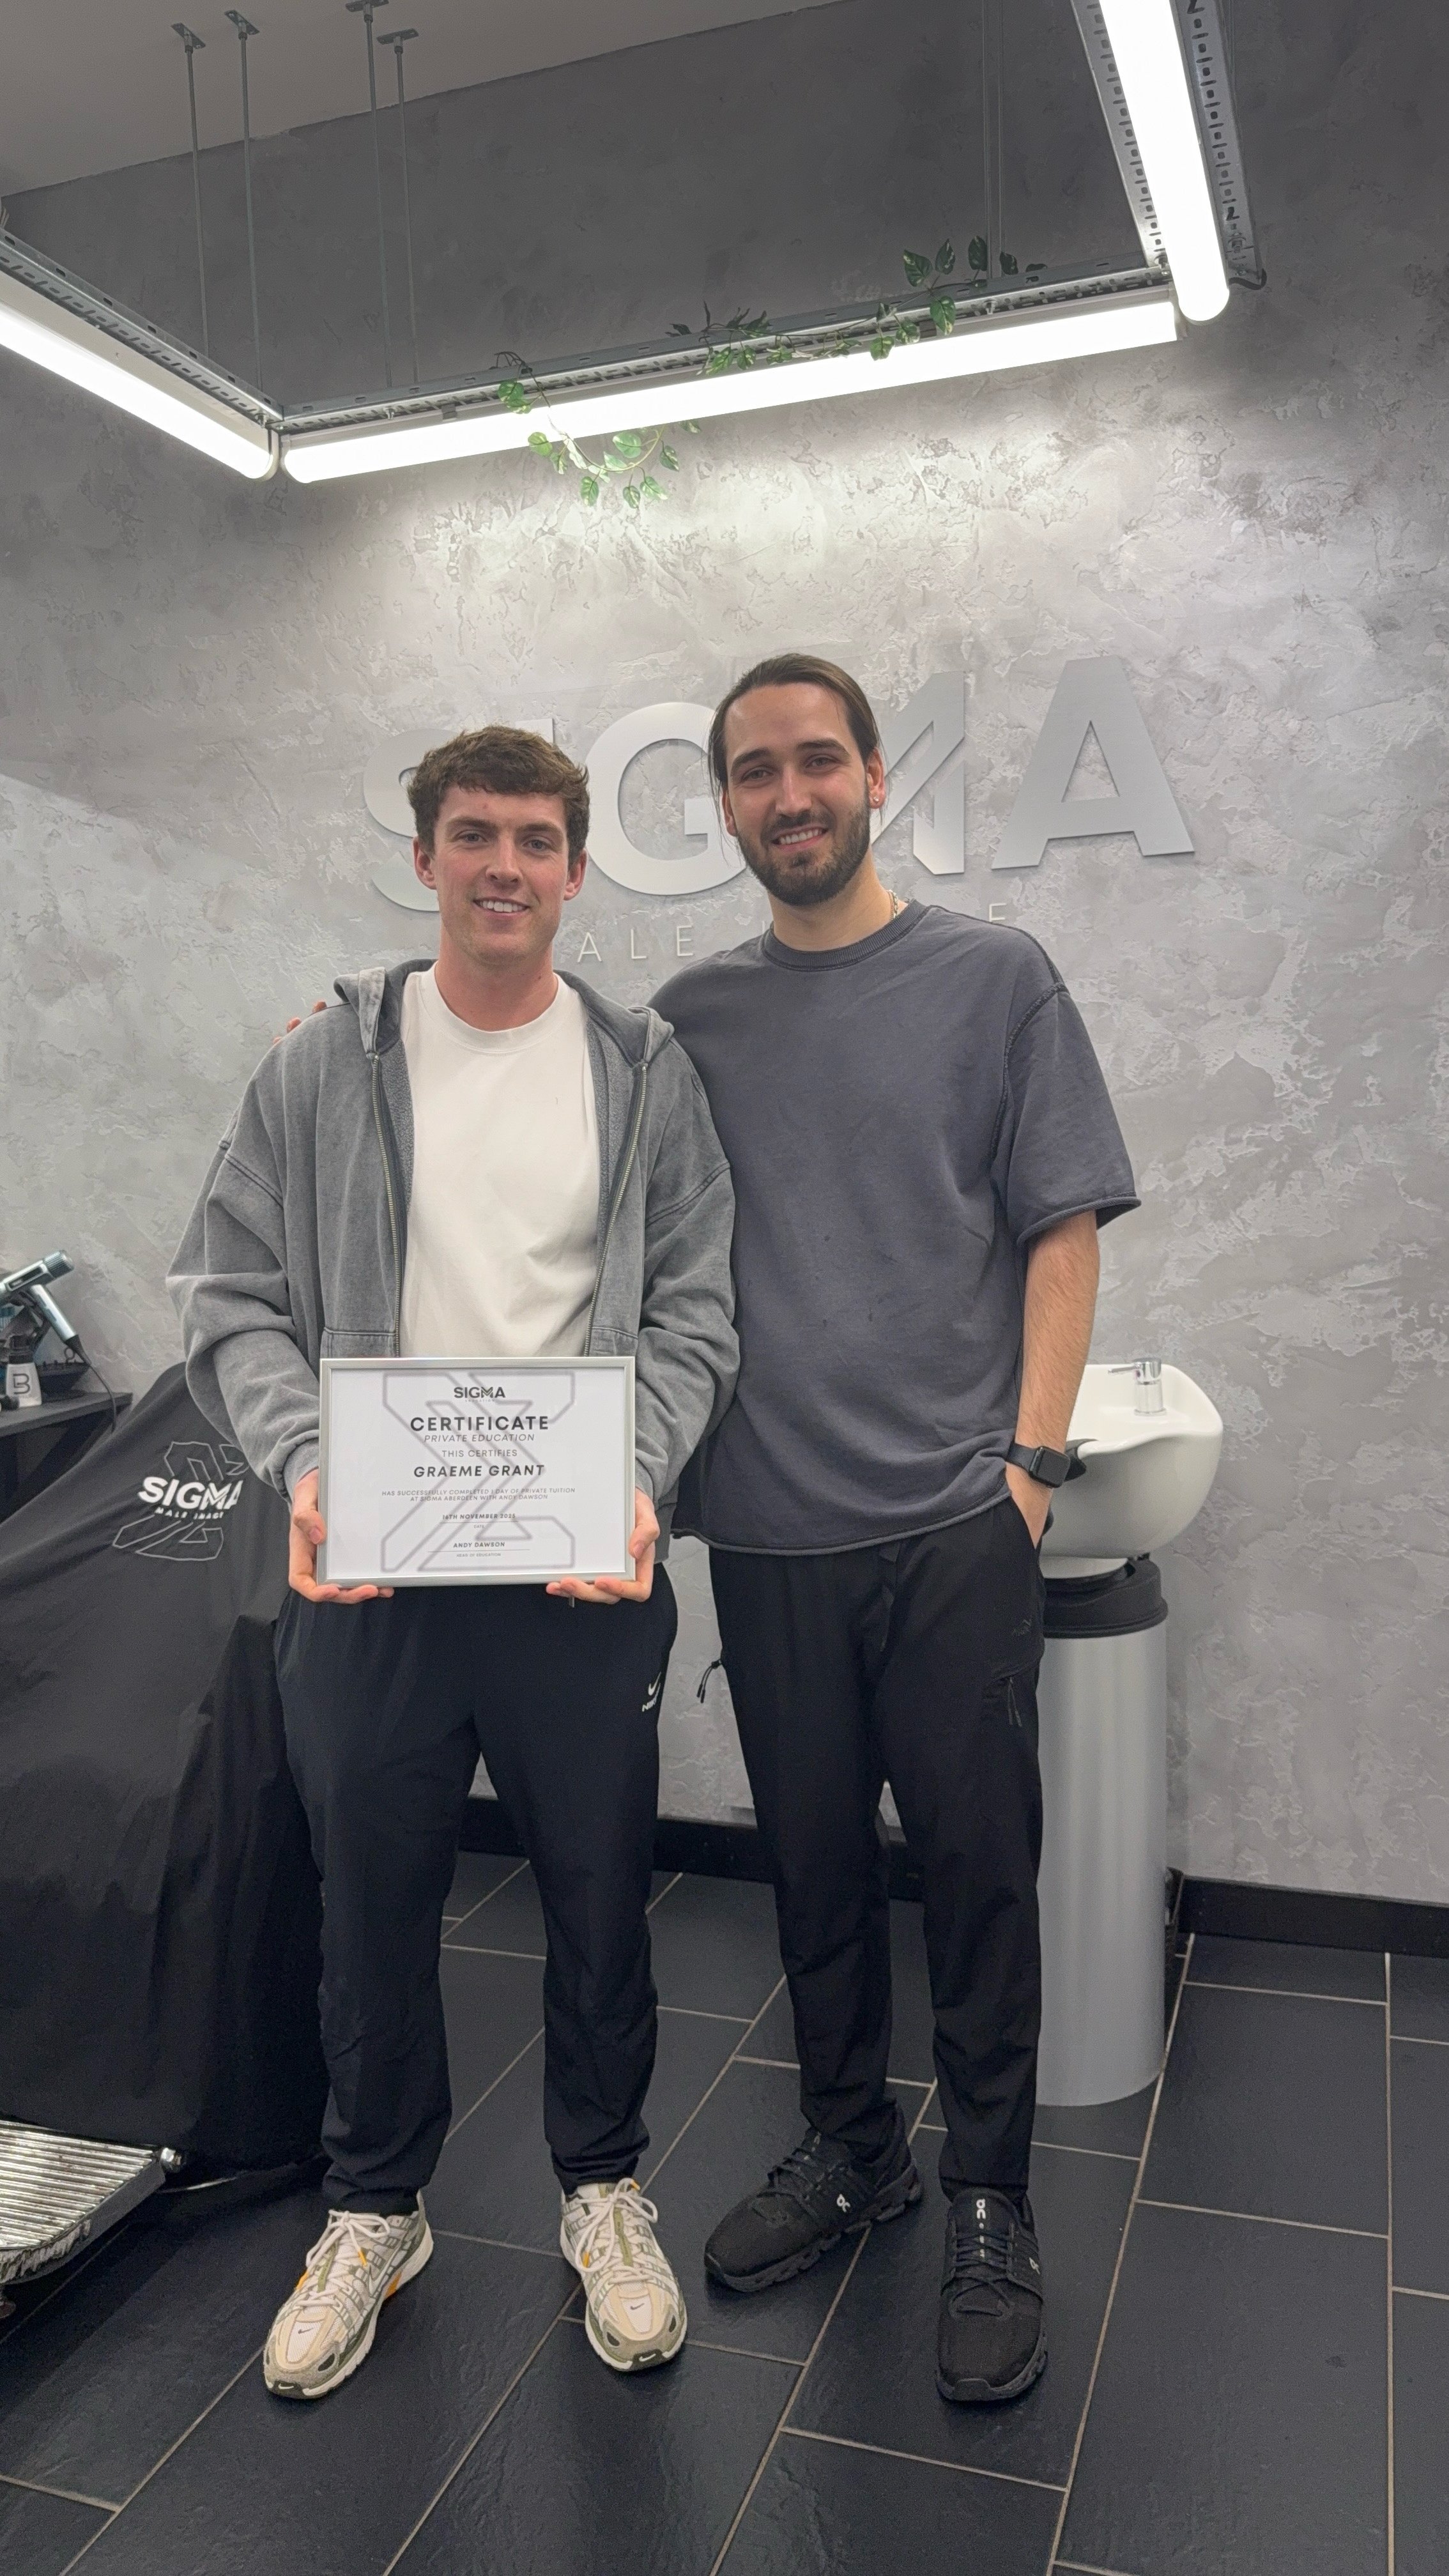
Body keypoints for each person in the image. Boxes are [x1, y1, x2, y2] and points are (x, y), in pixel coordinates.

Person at [169, 726, 737, 2401]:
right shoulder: (320, 1066)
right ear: (425, 858)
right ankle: (371, 2211)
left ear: (573, 871)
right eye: (474, 835)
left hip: (577, 1570)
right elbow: (226, 1294)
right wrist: (306, 1459)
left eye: (538, 840)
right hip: (372, 1577)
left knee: (594, 1893)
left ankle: (602, 2189)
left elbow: (698, 1306)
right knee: (371, 1902)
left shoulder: (643, 1072)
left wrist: (637, 1479)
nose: (506, 865)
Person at [652, 653, 1138, 2407]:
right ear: (722, 806)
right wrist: (351, 1027)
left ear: (871, 776)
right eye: (753, 772)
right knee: (813, 1877)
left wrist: (1025, 1465)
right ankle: (851, 2146)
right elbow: (541, 1119)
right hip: (765, 1532)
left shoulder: (991, 977)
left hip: (950, 1519)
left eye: (815, 761)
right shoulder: (686, 1018)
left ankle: (992, 2198)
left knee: (976, 1874)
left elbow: (1062, 1232)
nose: (788, 795)